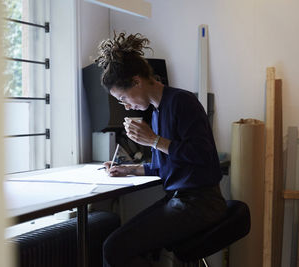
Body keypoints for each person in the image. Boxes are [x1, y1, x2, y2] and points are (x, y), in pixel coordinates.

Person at [95, 32, 227, 267]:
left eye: (124, 97)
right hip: (180, 200)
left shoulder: (181, 102)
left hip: (201, 203)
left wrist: (154, 140)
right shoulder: (156, 112)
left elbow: (203, 155)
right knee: (117, 245)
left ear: (137, 81)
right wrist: (127, 170)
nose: (126, 106)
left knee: (114, 249)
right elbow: (161, 165)